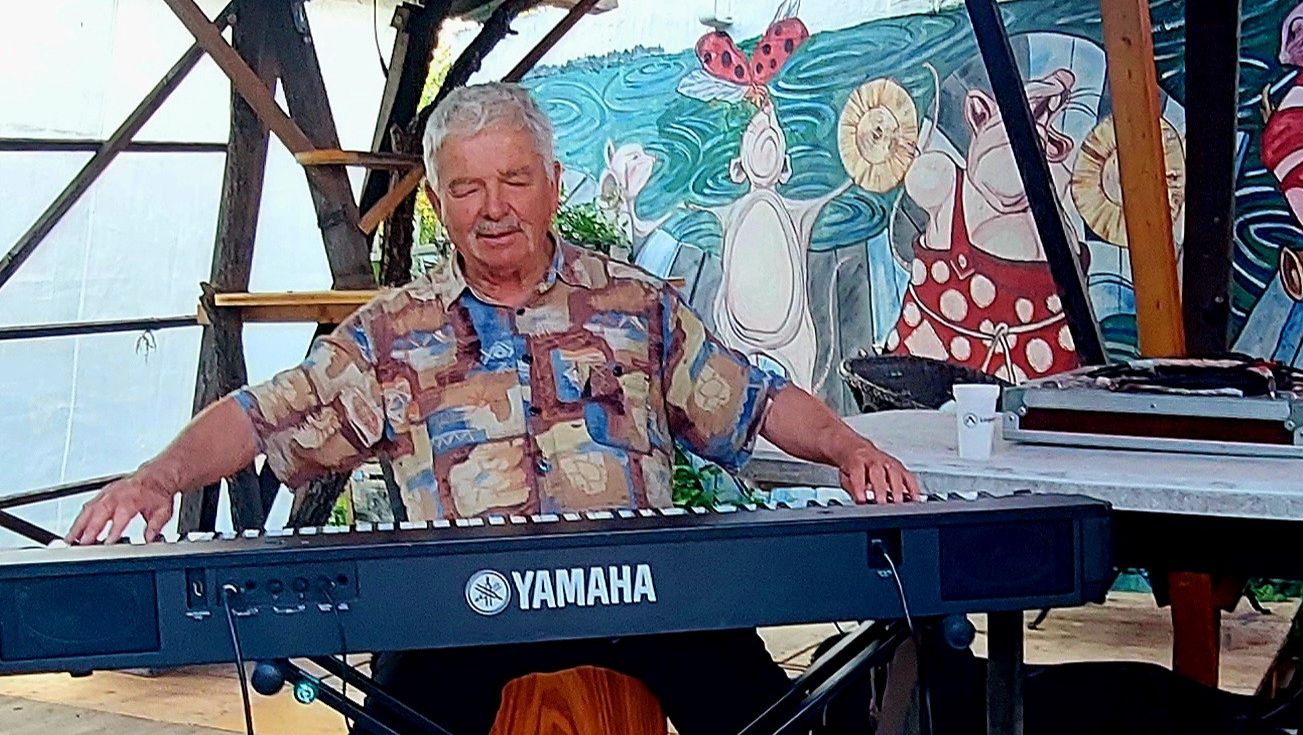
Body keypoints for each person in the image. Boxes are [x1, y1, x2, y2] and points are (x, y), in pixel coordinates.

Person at [65, 82, 921, 735]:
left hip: (646, 600)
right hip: (457, 615)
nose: (494, 207)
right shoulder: (390, 335)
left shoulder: (635, 304)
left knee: (780, 722)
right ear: (439, 204)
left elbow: (758, 400)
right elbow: (262, 415)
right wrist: (157, 477)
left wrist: (848, 448)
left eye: (514, 179)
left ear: (552, 184)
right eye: (468, 188)